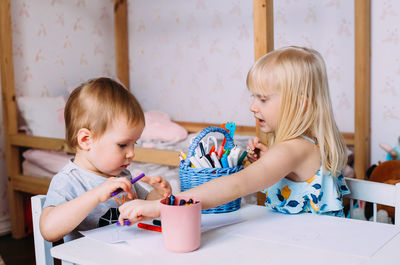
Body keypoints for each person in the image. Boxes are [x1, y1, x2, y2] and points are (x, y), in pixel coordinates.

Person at [117, 46, 350, 225]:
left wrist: (162, 205)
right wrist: (272, 160)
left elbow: (237, 185)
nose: (253, 107)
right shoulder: (309, 145)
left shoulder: (291, 149)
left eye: (263, 99)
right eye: (253, 97)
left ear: (300, 104)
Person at [40, 77, 172, 242]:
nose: (131, 153)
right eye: (122, 144)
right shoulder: (69, 181)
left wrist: (158, 195)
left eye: (134, 143)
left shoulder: (122, 175)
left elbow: (143, 205)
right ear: (86, 140)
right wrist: (96, 195)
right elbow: (48, 230)